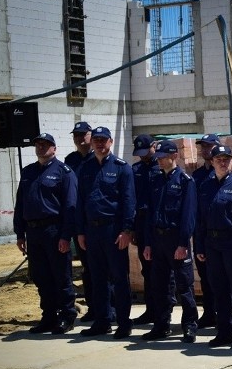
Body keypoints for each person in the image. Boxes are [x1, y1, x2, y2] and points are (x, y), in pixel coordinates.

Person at [14, 133, 78, 334]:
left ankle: (67, 316)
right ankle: (48, 317)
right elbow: (20, 204)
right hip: (33, 232)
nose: (41, 148)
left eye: (45, 145)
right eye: (38, 145)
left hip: (54, 230)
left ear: (54, 148)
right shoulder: (28, 172)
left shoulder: (64, 172)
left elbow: (70, 206)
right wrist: (19, 234)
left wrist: (66, 236)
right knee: (41, 277)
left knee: (61, 276)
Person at [76, 126, 136, 339]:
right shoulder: (85, 169)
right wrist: (81, 231)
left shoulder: (122, 168)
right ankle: (102, 321)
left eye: (104, 140)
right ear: (92, 143)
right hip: (92, 230)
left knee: (120, 278)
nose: (100, 144)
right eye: (97, 140)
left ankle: (124, 323)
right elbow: (80, 201)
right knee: (97, 278)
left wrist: (127, 230)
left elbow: (129, 201)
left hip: (114, 230)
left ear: (110, 142)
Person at [195, 144, 232, 349]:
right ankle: (224, 331)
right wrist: (200, 247)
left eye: (226, 159)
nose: (222, 162)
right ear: (211, 162)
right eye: (218, 159)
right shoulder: (205, 186)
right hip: (212, 244)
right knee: (219, 290)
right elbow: (200, 220)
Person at [142, 139, 199, 342]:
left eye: (163, 157)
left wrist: (183, 243)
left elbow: (188, 215)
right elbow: (150, 214)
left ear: (174, 156)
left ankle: (190, 325)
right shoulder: (155, 180)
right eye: (157, 157)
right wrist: (148, 242)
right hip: (158, 240)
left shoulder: (185, 181)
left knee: (185, 285)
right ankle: (161, 325)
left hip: (176, 240)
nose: (159, 161)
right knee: (160, 286)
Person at [130, 134, 164, 326]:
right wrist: (134, 229)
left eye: (146, 152)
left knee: (163, 270)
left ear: (154, 146)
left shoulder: (162, 168)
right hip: (142, 224)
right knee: (147, 269)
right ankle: (151, 310)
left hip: (160, 224)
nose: (143, 157)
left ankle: (163, 311)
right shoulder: (135, 170)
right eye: (140, 153)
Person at [65, 120, 95, 321]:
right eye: (76, 135)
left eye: (83, 134)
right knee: (87, 268)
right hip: (79, 222)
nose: (79, 138)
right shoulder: (71, 160)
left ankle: (109, 309)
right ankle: (93, 307)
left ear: (90, 135)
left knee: (104, 269)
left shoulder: (99, 159)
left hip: (98, 222)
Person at [192, 134, 219, 328]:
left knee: (222, 278)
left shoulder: (223, 173)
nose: (206, 149)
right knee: (205, 276)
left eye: (210, 146)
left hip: (222, 235)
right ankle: (209, 312)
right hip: (202, 233)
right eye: (203, 146)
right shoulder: (197, 176)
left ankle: (224, 315)